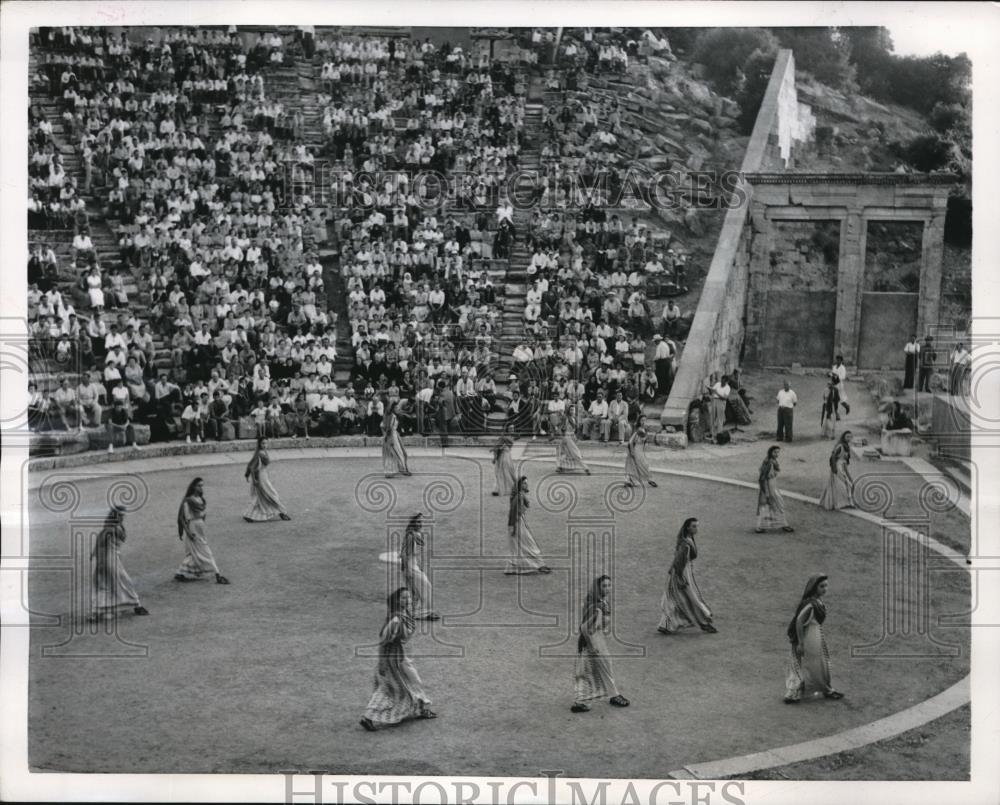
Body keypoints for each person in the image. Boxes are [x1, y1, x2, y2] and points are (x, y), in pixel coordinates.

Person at [359, 587, 437, 731]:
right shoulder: (396, 619)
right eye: (403, 598)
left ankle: (421, 710)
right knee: (396, 687)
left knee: (406, 684)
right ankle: (368, 717)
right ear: (397, 600)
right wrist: (382, 663)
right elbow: (383, 640)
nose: (407, 600)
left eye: (408, 597)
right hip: (394, 659)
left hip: (400, 656)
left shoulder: (405, 614)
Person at [572, 575, 630, 713]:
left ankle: (609, 695)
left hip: (596, 639)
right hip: (591, 641)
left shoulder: (599, 601)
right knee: (588, 671)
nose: (608, 588)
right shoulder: (597, 606)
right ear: (598, 587)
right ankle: (584, 702)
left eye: (609, 585)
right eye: (604, 586)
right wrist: (592, 647)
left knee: (599, 667)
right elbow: (585, 628)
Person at [784, 574, 844, 703]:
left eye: (826, 586)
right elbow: (799, 622)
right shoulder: (810, 604)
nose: (825, 589)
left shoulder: (817, 602)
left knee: (821, 664)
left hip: (815, 636)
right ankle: (793, 693)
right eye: (821, 586)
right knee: (802, 664)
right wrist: (800, 642)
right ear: (814, 587)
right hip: (808, 637)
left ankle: (826, 689)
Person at [657, 517, 717, 635]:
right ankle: (703, 622)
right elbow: (679, 562)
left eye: (697, 526)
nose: (696, 529)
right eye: (694, 526)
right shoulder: (686, 544)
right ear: (688, 527)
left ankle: (666, 625)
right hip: (681, 574)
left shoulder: (687, 540)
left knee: (675, 599)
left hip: (682, 572)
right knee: (688, 598)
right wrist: (680, 578)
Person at [90, 506, 148, 620]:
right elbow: (100, 545)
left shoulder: (115, 527)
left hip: (114, 557)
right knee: (124, 581)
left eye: (123, 515)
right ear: (114, 515)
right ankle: (136, 605)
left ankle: (98, 611)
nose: (122, 517)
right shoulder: (110, 529)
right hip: (108, 559)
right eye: (120, 515)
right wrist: (100, 562)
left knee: (107, 584)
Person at [175, 477, 230, 584]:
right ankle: (218, 574)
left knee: (194, 552)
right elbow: (182, 518)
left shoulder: (201, 500)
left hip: (200, 528)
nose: (201, 488)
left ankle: (181, 572)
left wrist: (202, 523)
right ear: (194, 486)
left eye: (202, 486)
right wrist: (188, 532)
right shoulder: (188, 500)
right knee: (206, 551)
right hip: (193, 528)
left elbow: (203, 514)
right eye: (199, 485)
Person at [506, 476, 551, 575]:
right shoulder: (519, 497)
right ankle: (537, 565)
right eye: (524, 483)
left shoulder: (521, 496)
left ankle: (518, 566)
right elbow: (513, 512)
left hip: (519, 522)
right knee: (529, 544)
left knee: (522, 545)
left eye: (527, 483)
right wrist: (512, 526)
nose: (527, 485)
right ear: (520, 485)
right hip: (517, 524)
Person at [399, 514, 439, 620]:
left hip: (413, 565)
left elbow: (418, 547)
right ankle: (424, 613)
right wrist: (407, 569)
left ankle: (411, 613)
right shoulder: (411, 536)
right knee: (426, 587)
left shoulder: (414, 534)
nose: (420, 524)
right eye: (417, 522)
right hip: (410, 567)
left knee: (415, 592)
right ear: (412, 523)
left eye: (420, 521)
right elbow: (404, 554)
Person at [243, 437, 292, 522]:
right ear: (259, 444)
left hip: (263, 476)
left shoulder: (260, 452)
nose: (265, 445)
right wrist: (254, 480)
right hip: (261, 478)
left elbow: (250, 464)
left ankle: (249, 514)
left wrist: (247, 475)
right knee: (272, 495)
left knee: (260, 497)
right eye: (263, 443)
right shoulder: (260, 454)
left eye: (266, 443)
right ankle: (282, 513)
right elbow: (252, 467)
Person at [755, 445, 794, 533]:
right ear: (770, 452)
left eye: (778, 452)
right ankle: (783, 525)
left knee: (769, 506)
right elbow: (763, 479)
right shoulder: (769, 463)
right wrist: (767, 493)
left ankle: (761, 526)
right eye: (775, 452)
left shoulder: (772, 461)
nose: (777, 454)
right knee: (773, 505)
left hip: (772, 487)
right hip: (769, 489)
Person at [819, 431, 854, 511]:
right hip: (838, 467)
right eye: (847, 436)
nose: (849, 438)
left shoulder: (847, 447)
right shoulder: (840, 446)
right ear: (844, 437)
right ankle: (840, 503)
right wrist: (834, 468)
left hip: (843, 467)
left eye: (850, 437)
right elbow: (833, 456)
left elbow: (845, 461)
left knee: (845, 484)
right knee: (841, 485)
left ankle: (845, 502)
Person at [624, 413, 657, 488]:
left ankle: (629, 480)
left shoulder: (645, 430)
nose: (644, 422)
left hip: (641, 450)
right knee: (641, 465)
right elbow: (630, 442)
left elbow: (645, 441)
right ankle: (649, 480)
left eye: (645, 420)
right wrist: (632, 451)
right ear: (639, 421)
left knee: (641, 465)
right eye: (642, 420)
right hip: (636, 449)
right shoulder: (637, 430)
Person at [555, 409, 590, 474]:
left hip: (569, 437)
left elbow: (569, 429)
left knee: (573, 453)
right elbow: (562, 428)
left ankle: (585, 468)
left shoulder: (572, 419)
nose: (572, 411)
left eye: (573, 410)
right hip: (567, 436)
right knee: (563, 452)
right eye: (571, 410)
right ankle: (560, 466)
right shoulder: (566, 418)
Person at [382, 401, 411, 478]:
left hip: (394, 434)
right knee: (398, 452)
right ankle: (401, 469)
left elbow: (383, 426)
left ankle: (393, 470)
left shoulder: (391, 415)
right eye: (396, 407)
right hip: (392, 435)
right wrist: (389, 438)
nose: (398, 409)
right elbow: (389, 428)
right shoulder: (392, 416)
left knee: (395, 453)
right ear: (393, 408)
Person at [710, 374, 730, 442]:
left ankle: (719, 435)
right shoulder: (718, 383)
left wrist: (717, 393)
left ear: (726, 382)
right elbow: (712, 391)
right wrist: (710, 390)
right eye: (721, 380)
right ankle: (712, 435)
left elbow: (725, 398)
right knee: (712, 418)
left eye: (724, 381)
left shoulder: (728, 388)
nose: (722, 382)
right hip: (714, 400)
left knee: (720, 419)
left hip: (721, 402)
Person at [820, 375, 840, 440]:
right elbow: (824, 397)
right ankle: (825, 433)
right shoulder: (826, 390)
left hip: (832, 407)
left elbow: (837, 399)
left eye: (831, 384)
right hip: (827, 406)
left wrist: (835, 407)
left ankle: (831, 434)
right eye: (828, 384)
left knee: (831, 420)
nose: (829, 385)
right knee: (826, 419)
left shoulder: (835, 390)